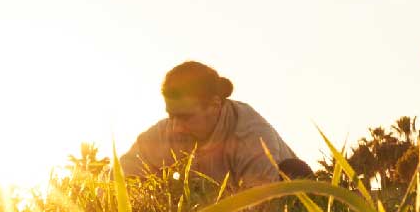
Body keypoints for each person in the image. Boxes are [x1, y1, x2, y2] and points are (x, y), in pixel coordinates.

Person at [120, 61, 312, 188]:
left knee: (295, 172)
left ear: (214, 105)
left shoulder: (251, 137)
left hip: (274, 206)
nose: (176, 127)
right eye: (171, 116)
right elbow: (120, 178)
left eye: (185, 117)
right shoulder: (167, 131)